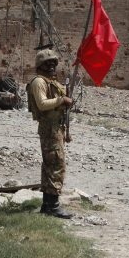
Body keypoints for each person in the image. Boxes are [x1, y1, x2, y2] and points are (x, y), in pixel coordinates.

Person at [27, 48, 74, 219]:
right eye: (48, 63)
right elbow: (42, 103)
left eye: (54, 63)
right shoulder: (39, 82)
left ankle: (48, 205)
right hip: (49, 128)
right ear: (40, 65)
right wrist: (62, 100)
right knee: (56, 165)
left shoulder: (51, 81)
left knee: (51, 165)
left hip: (56, 127)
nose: (52, 66)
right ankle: (52, 207)